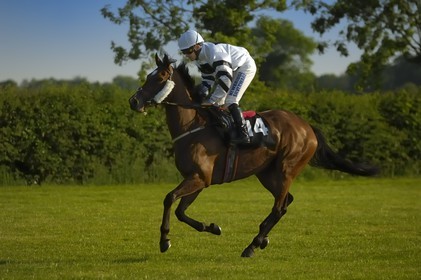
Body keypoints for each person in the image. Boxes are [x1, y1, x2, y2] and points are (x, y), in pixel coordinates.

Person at [178, 30, 257, 145]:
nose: (186, 55)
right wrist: (201, 94)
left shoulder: (215, 53)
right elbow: (208, 79)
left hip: (245, 66)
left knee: (230, 100)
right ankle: (226, 130)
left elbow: (225, 79)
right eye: (183, 52)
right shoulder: (199, 59)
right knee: (220, 103)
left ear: (197, 46)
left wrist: (211, 100)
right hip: (232, 70)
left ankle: (244, 135)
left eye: (187, 51)